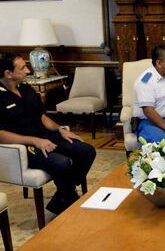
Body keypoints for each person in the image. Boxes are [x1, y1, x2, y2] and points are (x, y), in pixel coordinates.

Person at [0, 53, 96, 214]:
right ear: (8, 74)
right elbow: (1, 134)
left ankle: (63, 197)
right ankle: (70, 201)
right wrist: (34, 141)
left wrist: (60, 129)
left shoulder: (26, 88)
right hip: (24, 147)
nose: (28, 70)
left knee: (86, 151)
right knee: (62, 163)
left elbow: (42, 117)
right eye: (23, 67)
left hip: (46, 137)